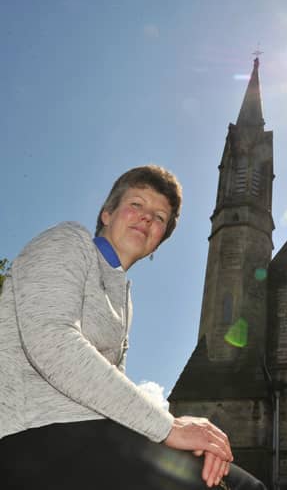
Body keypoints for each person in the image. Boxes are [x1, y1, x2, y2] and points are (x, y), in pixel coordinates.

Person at [0, 166, 266, 490]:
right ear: (107, 213)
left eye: (159, 218)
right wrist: (169, 428)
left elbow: (113, 392)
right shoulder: (70, 241)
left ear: (157, 242)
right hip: (30, 437)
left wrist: (179, 428)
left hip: (89, 440)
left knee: (236, 482)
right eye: (136, 205)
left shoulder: (124, 300)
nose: (146, 219)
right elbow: (52, 341)